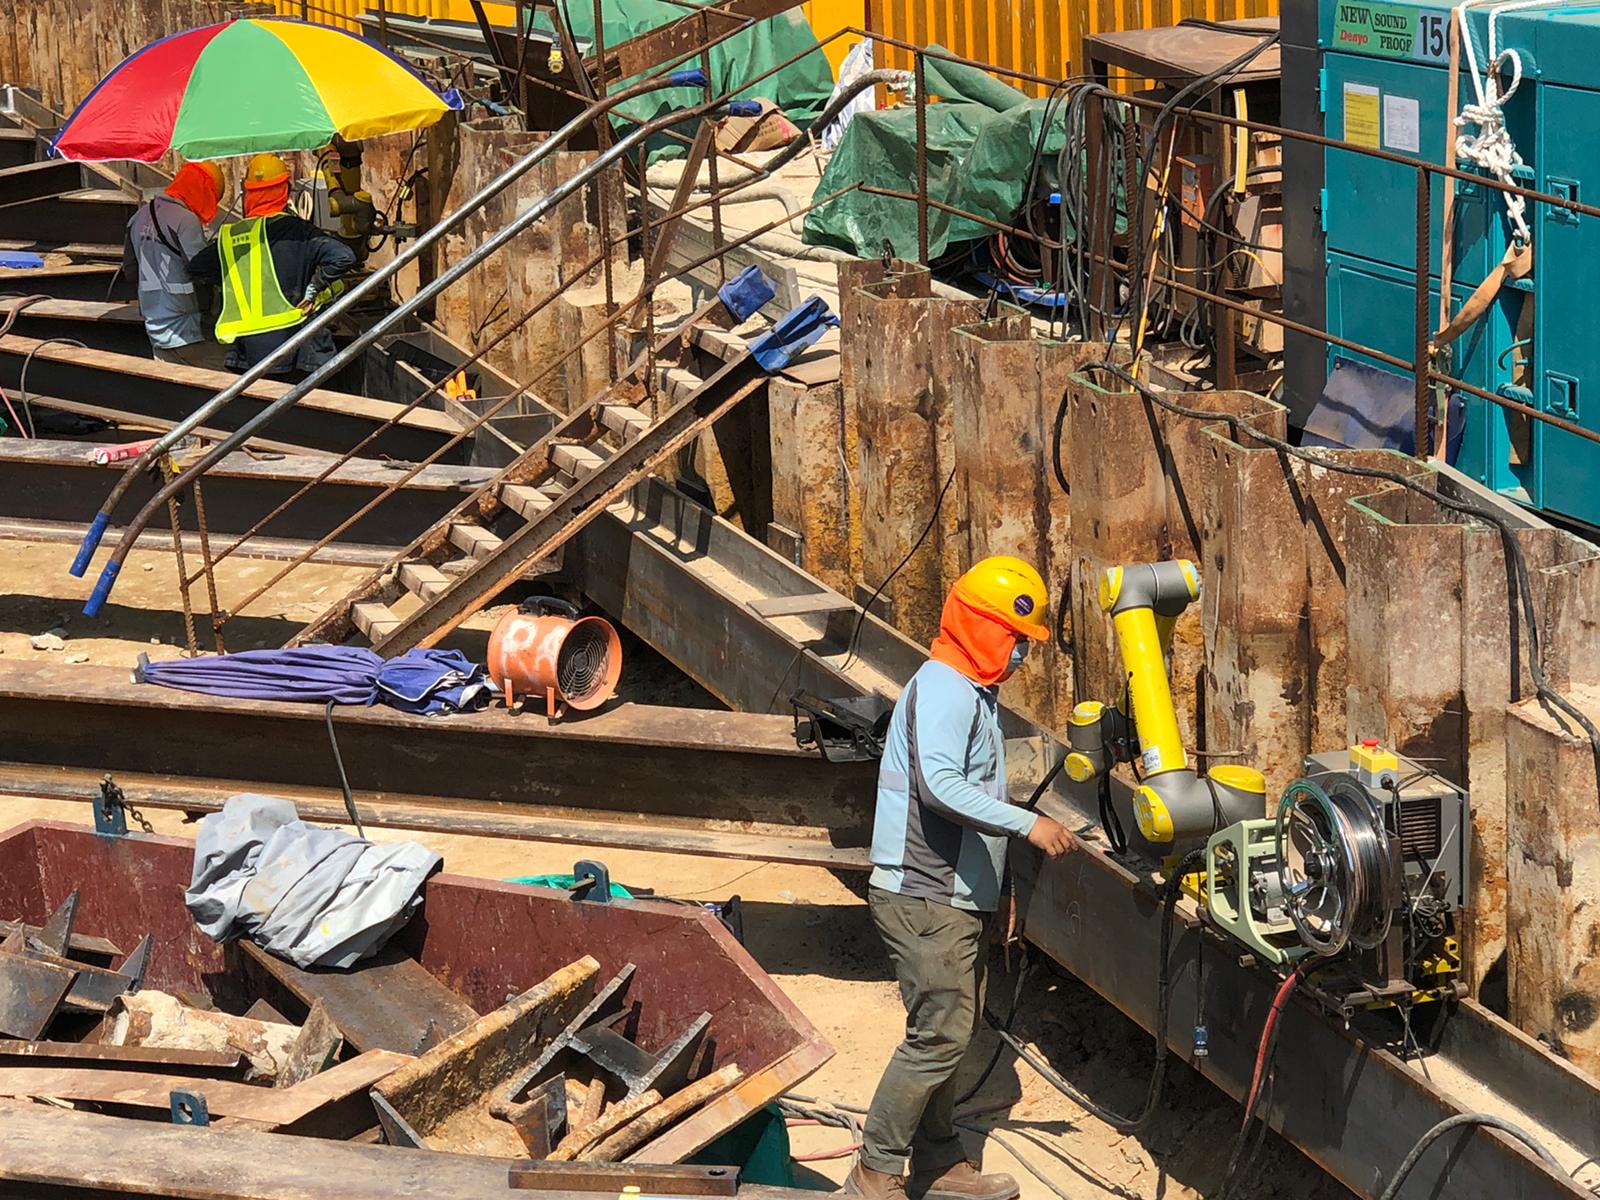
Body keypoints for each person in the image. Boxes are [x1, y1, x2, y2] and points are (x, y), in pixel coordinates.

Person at [846, 556, 1075, 1200]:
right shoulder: (945, 687)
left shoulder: (973, 693)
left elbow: (976, 796)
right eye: (1014, 638)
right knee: (937, 1037)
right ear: (980, 626)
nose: (1021, 654)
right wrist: (1029, 825)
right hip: (923, 894)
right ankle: (874, 1171)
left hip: (951, 896)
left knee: (952, 1031)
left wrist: (996, 892)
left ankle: (939, 1162)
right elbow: (941, 787)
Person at [188, 152, 356, 382]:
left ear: (247, 193)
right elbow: (344, 256)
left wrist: (230, 279)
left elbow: (197, 268)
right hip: (299, 346)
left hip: (251, 351)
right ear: (286, 190)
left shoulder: (232, 237)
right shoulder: (301, 232)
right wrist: (315, 286)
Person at [124, 160, 230, 371]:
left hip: (156, 332)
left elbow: (131, 271)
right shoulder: (186, 220)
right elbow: (202, 271)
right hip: (190, 332)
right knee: (232, 379)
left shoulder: (138, 217)